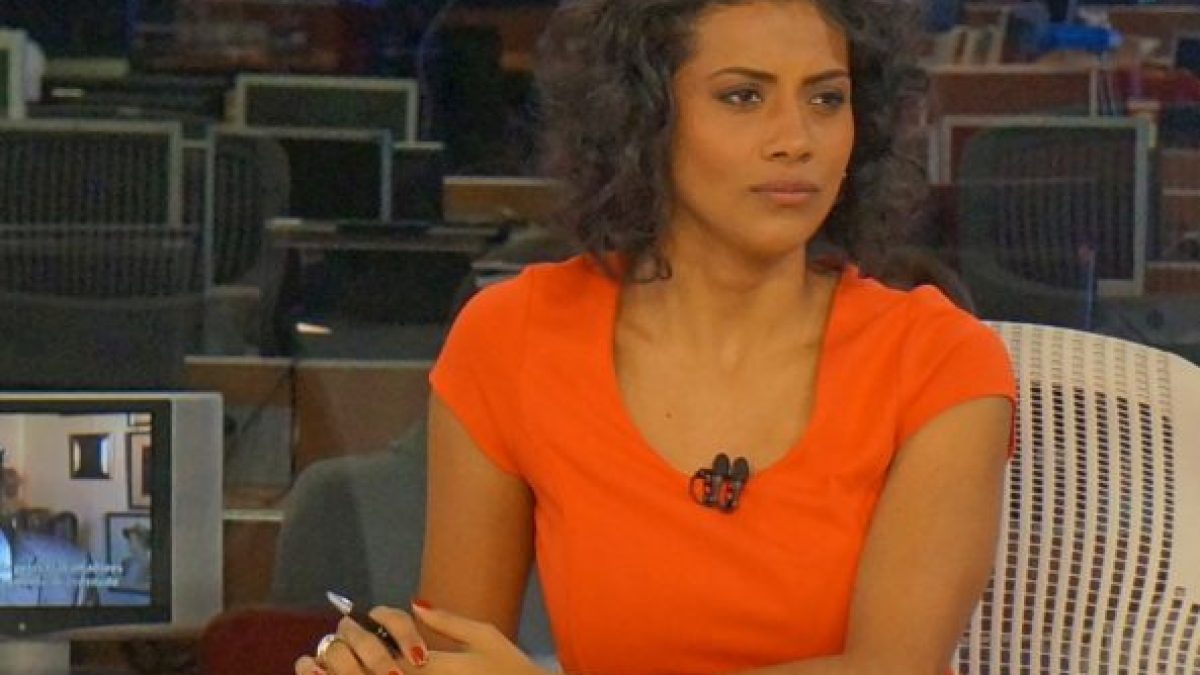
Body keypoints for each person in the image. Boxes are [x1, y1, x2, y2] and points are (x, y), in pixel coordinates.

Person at [296, 0, 1015, 674]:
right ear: (645, 116)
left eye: (826, 99)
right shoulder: (513, 337)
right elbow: (461, 653)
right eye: (744, 96)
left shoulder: (940, 362)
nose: (797, 139)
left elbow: (887, 669)